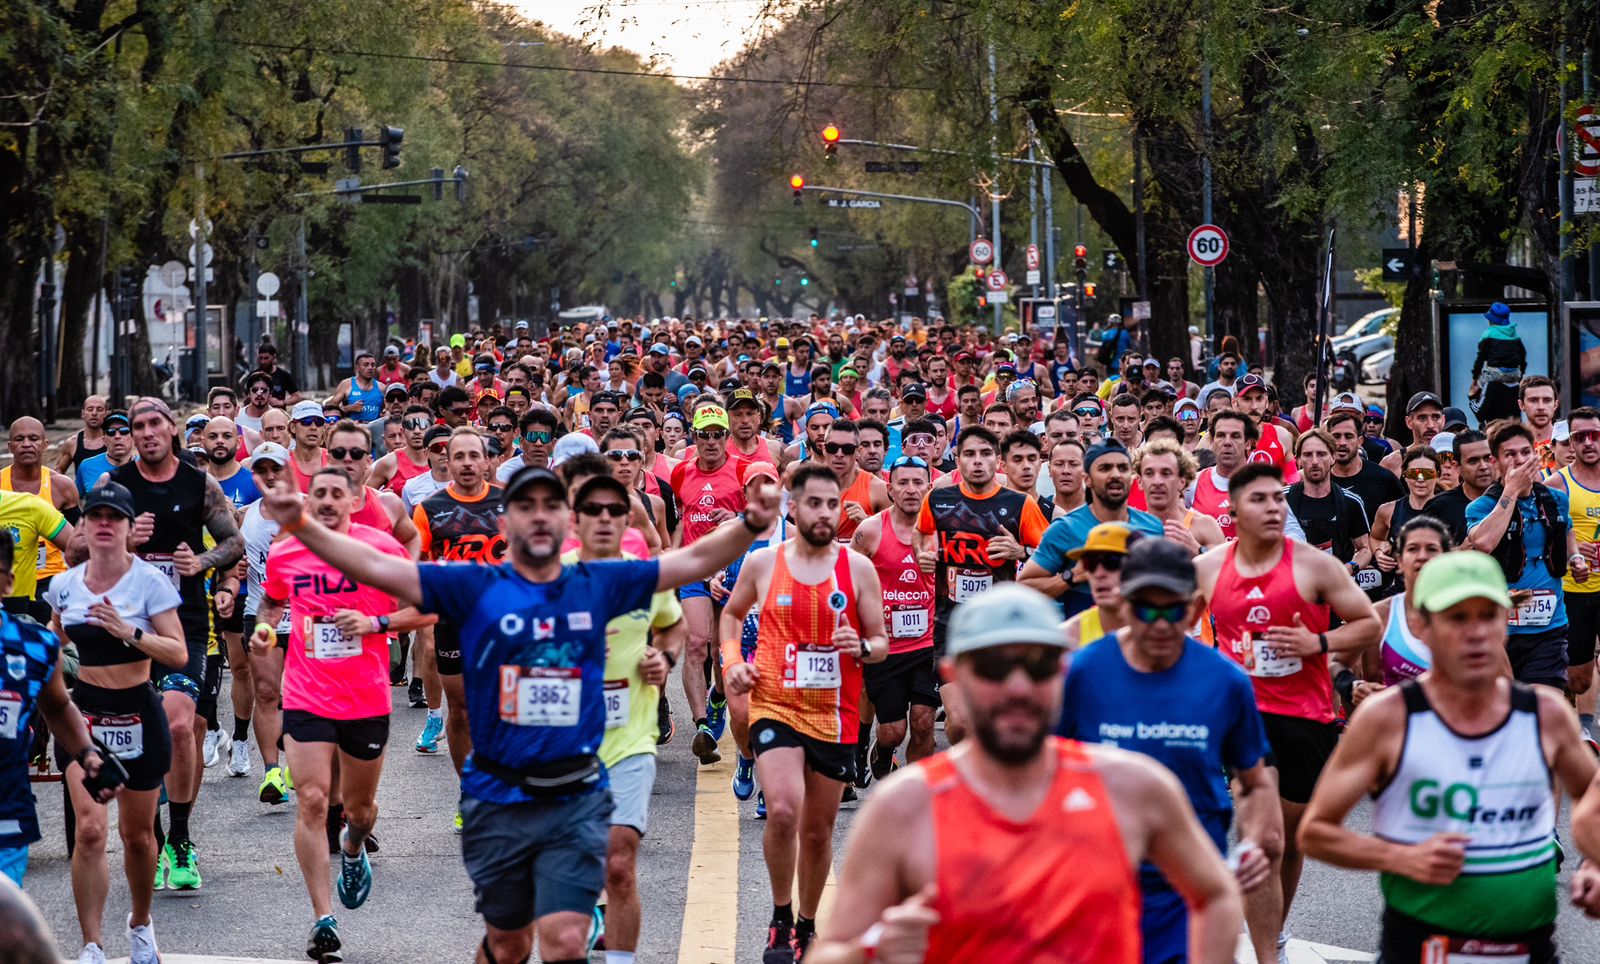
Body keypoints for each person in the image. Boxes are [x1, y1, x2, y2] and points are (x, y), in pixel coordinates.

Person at [255, 455, 780, 964]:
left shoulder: (597, 584)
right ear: (507, 521)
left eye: (549, 504)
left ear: (564, 518)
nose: (538, 514)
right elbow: (373, 564)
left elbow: (688, 561)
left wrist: (751, 522)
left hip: (577, 793)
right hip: (498, 797)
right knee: (508, 946)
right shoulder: (477, 587)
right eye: (524, 505)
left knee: (567, 940)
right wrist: (299, 522)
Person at [809, 583, 1244, 964]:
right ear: (954, 675)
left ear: (1062, 673)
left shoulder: (1134, 787)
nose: (1018, 687)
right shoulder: (904, 807)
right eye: (994, 667)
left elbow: (1217, 894)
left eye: (1037, 666)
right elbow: (830, 951)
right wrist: (871, 951)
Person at [1299, 550, 1599, 963]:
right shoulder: (1389, 718)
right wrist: (1400, 856)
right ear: (1422, 626)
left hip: (1529, 947)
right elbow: (1315, 832)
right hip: (1419, 946)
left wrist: (1594, 865)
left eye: (1488, 615)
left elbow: (1593, 797)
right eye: (1457, 618)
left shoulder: (1545, 715)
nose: (1475, 633)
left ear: (1505, 623)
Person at [1057, 538, 1283, 964]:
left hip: (1193, 886)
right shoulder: (1084, 672)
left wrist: (1254, 840)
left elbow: (1253, 780)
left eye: (1173, 610)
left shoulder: (1226, 681)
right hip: (1100, 885)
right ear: (1124, 604)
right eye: (1146, 609)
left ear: (1196, 610)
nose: (1160, 624)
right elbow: (1047, 774)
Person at [1195, 461, 1381, 949]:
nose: (1274, 507)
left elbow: (1366, 625)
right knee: (1263, 840)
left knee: (1290, 842)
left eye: (1279, 498)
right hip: (1243, 716)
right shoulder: (1209, 567)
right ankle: (1264, 953)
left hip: (1306, 714)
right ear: (1233, 510)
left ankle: (1272, 931)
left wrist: (1317, 644)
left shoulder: (1314, 565)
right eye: (1260, 499)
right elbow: (1172, 632)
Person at [720, 464, 889, 963]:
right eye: (813, 503)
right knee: (785, 809)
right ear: (793, 507)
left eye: (831, 504)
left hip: (835, 714)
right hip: (775, 703)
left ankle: (807, 926)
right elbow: (730, 615)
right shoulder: (764, 563)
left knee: (817, 833)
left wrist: (859, 644)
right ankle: (779, 916)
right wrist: (733, 664)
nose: (823, 513)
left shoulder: (857, 568)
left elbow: (881, 643)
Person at [253, 466, 413, 962]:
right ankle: (323, 920)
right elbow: (271, 603)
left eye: (334, 494)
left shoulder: (379, 548)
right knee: (313, 801)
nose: (325, 500)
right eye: (316, 492)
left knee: (360, 812)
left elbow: (425, 608)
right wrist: (264, 629)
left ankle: (353, 846)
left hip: (365, 696)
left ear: (352, 502)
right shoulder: (286, 550)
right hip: (305, 693)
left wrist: (375, 622)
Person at [45, 482, 187, 964]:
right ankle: (91, 944)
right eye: (95, 516)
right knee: (89, 830)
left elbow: (179, 652)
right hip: (83, 717)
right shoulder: (66, 584)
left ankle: (141, 923)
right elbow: (53, 639)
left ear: (129, 528)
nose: (104, 524)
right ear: (83, 524)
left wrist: (131, 632)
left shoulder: (149, 582)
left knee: (138, 836)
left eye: (115, 517)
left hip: (138, 713)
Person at [107, 397, 244, 891]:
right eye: (137, 425)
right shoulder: (115, 487)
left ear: (172, 430)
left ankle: (181, 837)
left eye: (154, 424)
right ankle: (158, 836)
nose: (145, 433)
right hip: (123, 623)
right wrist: (125, 542)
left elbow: (233, 543)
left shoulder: (198, 483)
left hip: (182, 621)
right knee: (139, 730)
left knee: (181, 723)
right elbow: (82, 548)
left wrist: (204, 564)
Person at [561, 472, 686, 962]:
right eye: (594, 510)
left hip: (630, 738)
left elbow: (672, 629)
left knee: (618, 866)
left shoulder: (642, 578)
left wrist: (666, 659)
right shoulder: (553, 578)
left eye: (617, 510)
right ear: (575, 520)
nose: (606, 519)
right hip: (565, 744)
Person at [916, 427, 1049, 744]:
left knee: (991, 719)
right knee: (960, 723)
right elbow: (920, 537)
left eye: (985, 453)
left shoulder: (1019, 504)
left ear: (998, 461)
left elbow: (1050, 555)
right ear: (957, 460)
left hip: (998, 627)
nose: (978, 462)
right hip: (949, 625)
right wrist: (922, 555)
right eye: (970, 454)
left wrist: (1021, 552)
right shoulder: (937, 500)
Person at [0, 529, 114, 891]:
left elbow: (59, 706)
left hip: (7, 815)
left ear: (7, 581)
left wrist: (88, 754)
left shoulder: (35, 645)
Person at [411, 429, 504, 830]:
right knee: (462, 711)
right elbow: (417, 569)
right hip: (454, 624)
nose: (467, 463)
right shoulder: (429, 509)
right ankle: (470, 792)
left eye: (474, 455)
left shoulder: (509, 502)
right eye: (459, 456)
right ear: (447, 461)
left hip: (505, 623)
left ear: (487, 460)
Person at [1465, 419, 1585, 690]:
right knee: (1503, 713)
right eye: (1510, 454)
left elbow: (1566, 532)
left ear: (1536, 455)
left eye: (1525, 452)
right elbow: (1484, 541)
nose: (1519, 460)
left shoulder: (1556, 499)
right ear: (1496, 462)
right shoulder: (1481, 507)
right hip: (1498, 631)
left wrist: (1575, 559)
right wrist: (1510, 491)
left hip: (1549, 627)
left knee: (1542, 705)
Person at [851, 455, 938, 781]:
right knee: (892, 731)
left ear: (929, 487)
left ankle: (918, 793)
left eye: (918, 482)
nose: (911, 490)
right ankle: (882, 749)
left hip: (927, 644)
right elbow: (846, 579)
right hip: (885, 647)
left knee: (924, 719)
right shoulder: (870, 531)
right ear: (890, 488)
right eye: (903, 482)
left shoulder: (939, 532)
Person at [669, 404, 748, 764]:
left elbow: (765, 517)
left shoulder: (743, 469)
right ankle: (702, 726)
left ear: (727, 437)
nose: (712, 441)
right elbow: (680, 519)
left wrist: (737, 517)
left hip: (732, 570)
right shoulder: (681, 473)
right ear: (694, 437)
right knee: (696, 643)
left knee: (721, 650)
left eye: (719, 434)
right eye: (705, 434)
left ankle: (718, 698)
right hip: (696, 571)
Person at [1021, 441, 1164, 617]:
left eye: (1122, 468)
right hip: (1084, 638)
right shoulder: (1066, 528)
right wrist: (1073, 576)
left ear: (1132, 476)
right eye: (1105, 468)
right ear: (1086, 478)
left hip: (1141, 637)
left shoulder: (1153, 527)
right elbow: (1025, 586)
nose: (1115, 475)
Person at [1349, 516, 1453, 704]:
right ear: (1399, 559)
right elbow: (1342, 666)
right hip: (1397, 726)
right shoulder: (1381, 614)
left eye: (1431, 549)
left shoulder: (1467, 614)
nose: (1422, 556)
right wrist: (1352, 686)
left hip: (1454, 727)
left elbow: (1502, 684)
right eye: (1413, 549)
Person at [1548, 407, 1600, 741]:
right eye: (1580, 437)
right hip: (1575, 591)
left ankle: (1588, 726)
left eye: (1595, 435)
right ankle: (1577, 718)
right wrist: (1574, 546)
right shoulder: (1558, 483)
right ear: (1571, 442)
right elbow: (1543, 537)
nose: (1589, 443)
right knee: (1578, 679)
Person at [1286, 428, 1374, 578]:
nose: (1314, 461)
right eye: (1307, 455)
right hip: (1293, 586)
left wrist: (1349, 568)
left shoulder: (1350, 501)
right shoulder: (1281, 499)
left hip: (1335, 587)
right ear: (1298, 460)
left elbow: (1365, 549)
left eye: (1321, 454)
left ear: (1333, 458)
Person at [1135, 438, 1225, 554]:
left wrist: (1197, 549)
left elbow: (1224, 569)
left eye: (1166, 473)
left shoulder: (1204, 526)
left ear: (1182, 481)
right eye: (1149, 473)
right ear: (1139, 481)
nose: (1157, 481)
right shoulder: (1132, 527)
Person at [1060, 522, 1135, 649]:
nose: (1099, 574)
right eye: (1090, 564)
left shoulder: (1161, 631)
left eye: (1112, 562)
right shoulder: (1067, 640)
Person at [1469, 301, 1526, 426]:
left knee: (1483, 382)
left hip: (1494, 374)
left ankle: (1478, 395)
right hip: (1513, 376)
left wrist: (1474, 383)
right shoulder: (1515, 335)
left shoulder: (1488, 334)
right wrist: (1520, 376)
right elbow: (1523, 357)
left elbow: (1480, 358)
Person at [56, 395, 110, 475]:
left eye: (99, 409)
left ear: (106, 414)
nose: (94, 413)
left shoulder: (113, 439)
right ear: (83, 413)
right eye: (90, 409)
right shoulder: (72, 443)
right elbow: (58, 471)